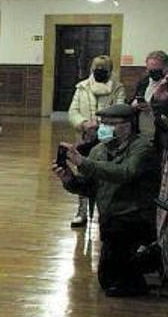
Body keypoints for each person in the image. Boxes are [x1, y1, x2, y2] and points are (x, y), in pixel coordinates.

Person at [54, 103, 160, 297]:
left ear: (127, 126)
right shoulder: (99, 151)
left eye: (111, 124)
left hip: (135, 219)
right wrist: (69, 180)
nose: (104, 128)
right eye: (103, 123)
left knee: (119, 284)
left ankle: (152, 257)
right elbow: (90, 187)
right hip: (110, 220)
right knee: (108, 281)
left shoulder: (142, 148)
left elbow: (126, 172)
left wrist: (84, 163)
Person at [66, 55, 126, 228]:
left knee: (107, 175)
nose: (99, 73)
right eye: (96, 69)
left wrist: (100, 124)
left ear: (109, 71)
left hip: (109, 139)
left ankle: (107, 210)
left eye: (103, 70)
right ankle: (82, 210)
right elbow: (73, 111)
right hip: (85, 138)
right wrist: (84, 124)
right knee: (83, 173)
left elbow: (120, 110)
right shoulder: (82, 87)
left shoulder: (118, 88)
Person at [130, 50, 167, 140]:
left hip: (161, 134)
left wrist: (152, 108)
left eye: (157, 70)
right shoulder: (143, 82)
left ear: (166, 68)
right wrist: (134, 105)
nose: (153, 72)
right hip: (141, 132)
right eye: (150, 70)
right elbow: (133, 100)